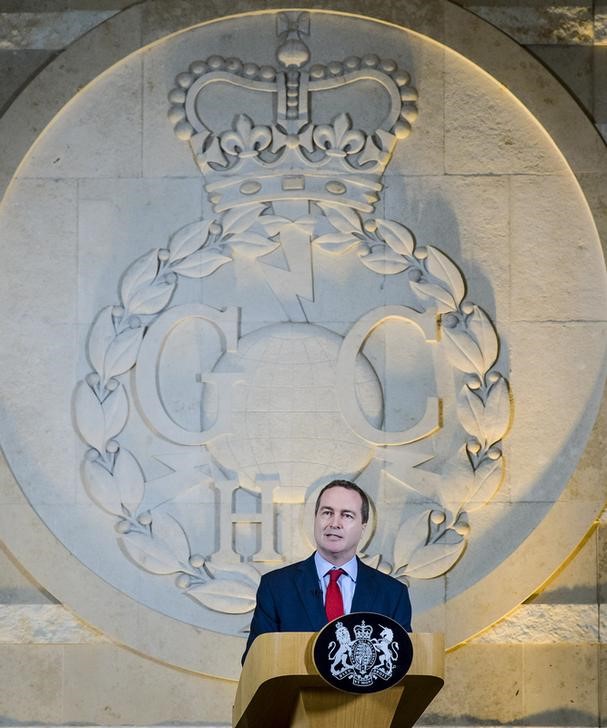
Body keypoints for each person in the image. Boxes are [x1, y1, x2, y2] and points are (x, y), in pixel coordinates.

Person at [242, 479, 412, 663]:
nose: (334, 523)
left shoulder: (393, 594)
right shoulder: (275, 587)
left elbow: (403, 664)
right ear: (315, 518)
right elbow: (255, 662)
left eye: (347, 515)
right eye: (327, 513)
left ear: (363, 527)